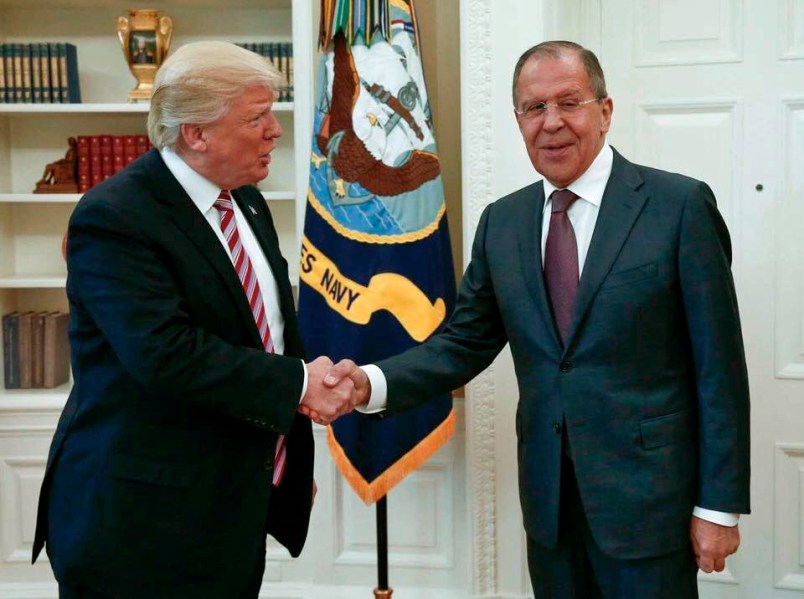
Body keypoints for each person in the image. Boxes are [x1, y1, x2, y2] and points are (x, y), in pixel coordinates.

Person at [323, 40, 750, 597]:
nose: (551, 124)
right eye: (533, 108)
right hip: (549, 507)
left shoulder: (679, 207)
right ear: (518, 119)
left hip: (649, 506)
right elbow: (462, 343)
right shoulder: (503, 223)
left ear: (605, 110)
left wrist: (718, 505)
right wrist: (369, 382)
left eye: (569, 102)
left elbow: (719, 368)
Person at [32, 41, 358, 599]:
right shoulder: (114, 217)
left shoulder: (245, 201)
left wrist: (290, 455)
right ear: (195, 133)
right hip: (139, 521)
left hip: (232, 503)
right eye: (257, 118)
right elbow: (167, 355)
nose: (275, 131)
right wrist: (303, 385)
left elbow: (269, 329)